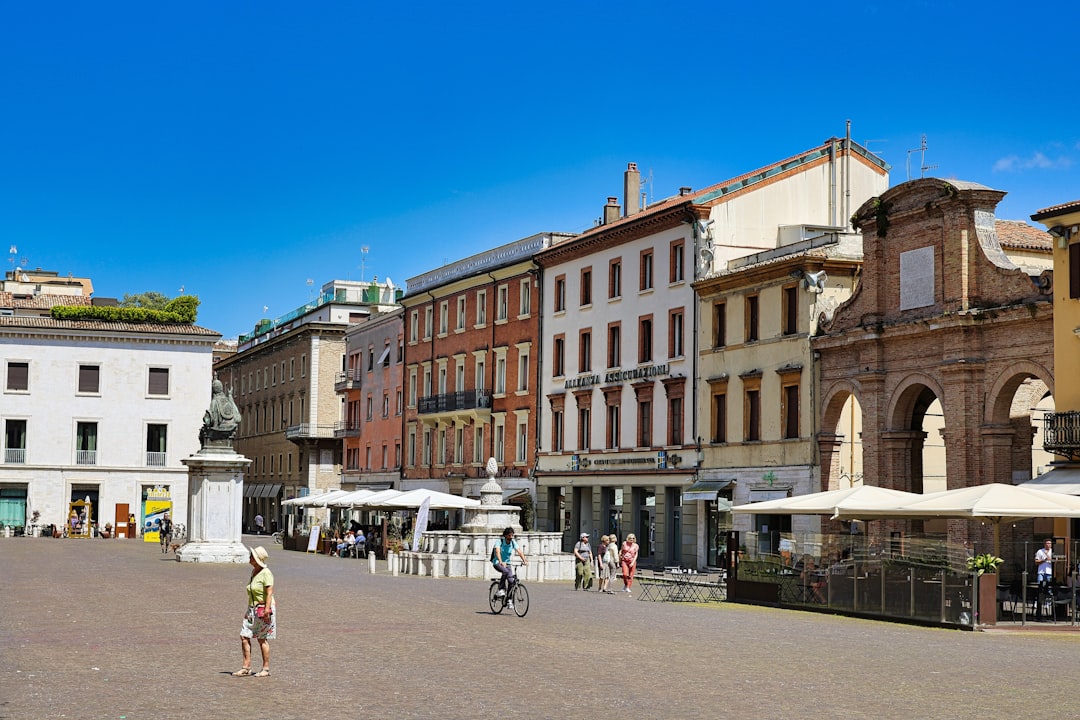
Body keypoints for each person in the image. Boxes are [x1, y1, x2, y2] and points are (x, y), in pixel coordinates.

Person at [233, 546, 275, 677]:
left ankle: (265, 668)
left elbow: (269, 593)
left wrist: (267, 610)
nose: (249, 557)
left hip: (263, 609)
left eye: (252, 556)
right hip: (252, 609)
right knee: (244, 636)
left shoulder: (266, 573)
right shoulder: (254, 571)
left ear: (257, 560)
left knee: (262, 639)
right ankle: (246, 667)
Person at [491, 527, 528, 608]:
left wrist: (524, 560)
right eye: (509, 535)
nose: (511, 537)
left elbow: (519, 551)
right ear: (505, 535)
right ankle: (501, 589)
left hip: (507, 564)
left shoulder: (513, 542)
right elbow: (497, 551)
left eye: (512, 535)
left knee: (512, 581)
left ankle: (509, 600)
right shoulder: (499, 541)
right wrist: (500, 561)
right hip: (497, 563)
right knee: (506, 572)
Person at [1035, 538, 1054, 620]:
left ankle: (1047, 603)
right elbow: (1036, 562)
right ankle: (1038, 603)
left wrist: (1047, 555)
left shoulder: (1052, 551)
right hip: (1041, 572)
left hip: (1049, 572)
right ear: (1044, 544)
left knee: (1048, 589)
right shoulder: (1040, 551)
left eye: (1049, 543)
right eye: (1046, 543)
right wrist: (1044, 559)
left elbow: (1052, 560)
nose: (1048, 545)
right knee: (1040, 588)